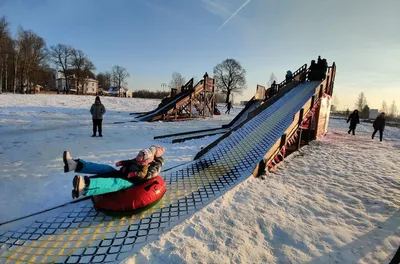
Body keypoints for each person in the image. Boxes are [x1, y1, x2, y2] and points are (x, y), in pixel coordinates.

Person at [63, 145, 166, 199]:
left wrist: (134, 174)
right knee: (106, 169)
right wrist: (123, 164)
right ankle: (76, 165)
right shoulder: (140, 158)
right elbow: (130, 161)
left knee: (115, 182)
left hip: (131, 182)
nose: (138, 156)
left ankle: (85, 186)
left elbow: (148, 175)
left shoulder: (153, 165)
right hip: (124, 174)